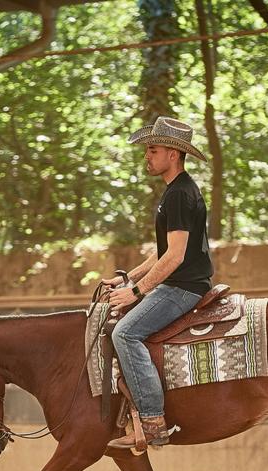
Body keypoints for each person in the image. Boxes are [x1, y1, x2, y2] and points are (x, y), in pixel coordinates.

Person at [104, 116, 214, 449]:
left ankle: (152, 422)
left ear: (173, 154)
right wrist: (129, 277)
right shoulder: (175, 191)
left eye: (153, 150)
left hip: (183, 287)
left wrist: (135, 293)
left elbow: (175, 257)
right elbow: (163, 252)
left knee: (125, 333)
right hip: (178, 283)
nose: (147, 157)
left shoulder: (180, 194)